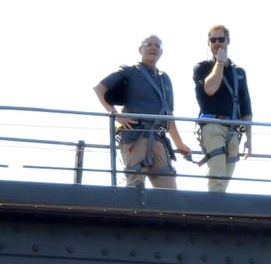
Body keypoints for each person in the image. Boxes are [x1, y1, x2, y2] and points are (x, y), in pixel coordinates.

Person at [94, 35, 193, 189]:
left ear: (161, 52)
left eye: (157, 45)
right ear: (140, 49)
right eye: (148, 44)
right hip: (136, 135)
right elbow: (99, 89)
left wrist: (179, 143)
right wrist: (115, 115)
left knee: (169, 192)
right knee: (135, 188)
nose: (153, 48)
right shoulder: (129, 72)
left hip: (159, 139)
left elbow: (169, 114)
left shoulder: (164, 79)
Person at [192, 25, 253, 193]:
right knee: (217, 177)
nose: (217, 43)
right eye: (213, 40)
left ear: (228, 41)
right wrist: (219, 62)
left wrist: (249, 137)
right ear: (208, 43)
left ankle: (216, 210)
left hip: (233, 129)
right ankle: (212, 213)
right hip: (212, 125)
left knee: (225, 178)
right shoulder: (202, 67)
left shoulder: (238, 72)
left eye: (221, 39)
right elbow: (210, 88)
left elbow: (246, 106)